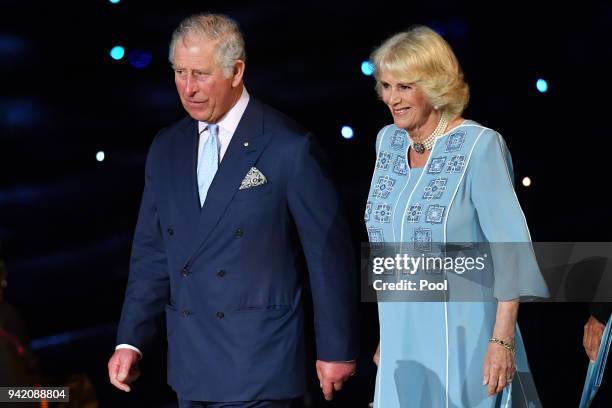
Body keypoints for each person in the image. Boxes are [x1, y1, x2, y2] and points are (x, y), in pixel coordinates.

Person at [107, 13, 358, 407]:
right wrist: (131, 340)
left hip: (260, 362)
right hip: (190, 366)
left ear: (236, 71)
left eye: (201, 74)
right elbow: (152, 253)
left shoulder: (288, 146)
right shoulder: (166, 148)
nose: (188, 88)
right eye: (180, 73)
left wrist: (336, 348)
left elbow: (328, 253)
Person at [365, 26, 549, 407]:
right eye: (385, 85)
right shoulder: (387, 142)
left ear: (434, 84)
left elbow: (510, 248)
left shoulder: (479, 146)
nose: (391, 99)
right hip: (402, 339)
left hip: (466, 333)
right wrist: (389, 332)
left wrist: (502, 341)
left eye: (404, 86)